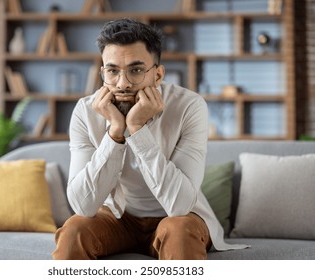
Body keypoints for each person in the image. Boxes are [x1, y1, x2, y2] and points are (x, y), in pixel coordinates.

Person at [52, 18, 247, 260]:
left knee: (179, 229)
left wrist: (136, 129)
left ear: (158, 75)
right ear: (103, 72)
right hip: (117, 217)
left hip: (176, 218)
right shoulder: (85, 111)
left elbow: (180, 205)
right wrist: (114, 132)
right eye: (112, 71)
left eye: (135, 70)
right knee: (74, 231)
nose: (122, 84)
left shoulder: (189, 106)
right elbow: (83, 206)